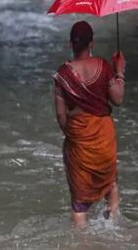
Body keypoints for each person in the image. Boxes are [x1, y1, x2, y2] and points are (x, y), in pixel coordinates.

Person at [53, 21, 126, 228]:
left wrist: (74, 135)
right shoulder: (104, 67)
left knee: (79, 203)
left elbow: (60, 115)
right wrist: (119, 70)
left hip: (78, 138)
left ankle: (81, 242)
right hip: (104, 137)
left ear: (71, 44)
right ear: (91, 43)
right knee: (111, 184)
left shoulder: (62, 75)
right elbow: (118, 99)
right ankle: (113, 231)